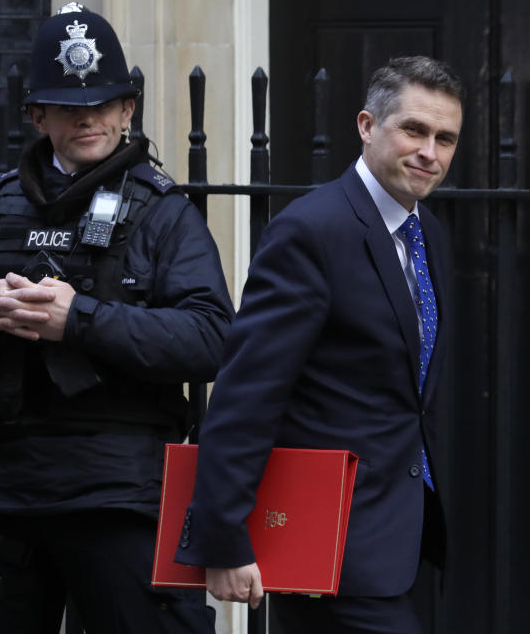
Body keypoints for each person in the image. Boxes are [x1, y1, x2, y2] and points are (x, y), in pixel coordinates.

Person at [0, 2, 232, 634]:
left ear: (128, 110)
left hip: (117, 499)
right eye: (69, 106)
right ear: (38, 117)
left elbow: (211, 339)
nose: (88, 117)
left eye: (103, 102)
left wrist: (80, 320)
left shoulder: (164, 215)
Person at [175, 55, 464, 633]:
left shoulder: (427, 233)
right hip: (325, 542)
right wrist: (224, 538)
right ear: (366, 126)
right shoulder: (313, 229)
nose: (430, 152)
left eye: (445, 138)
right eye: (413, 129)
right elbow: (247, 392)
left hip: (395, 536)